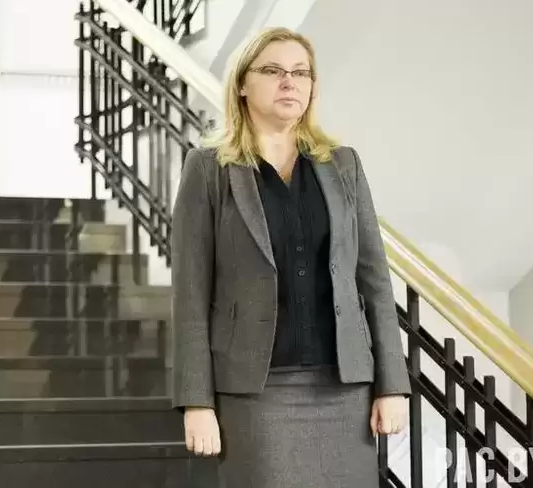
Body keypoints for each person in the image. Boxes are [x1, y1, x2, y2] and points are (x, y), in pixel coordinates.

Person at [170, 27, 411, 488]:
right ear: (243, 83)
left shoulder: (343, 164)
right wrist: (196, 402)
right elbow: (190, 294)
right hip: (255, 393)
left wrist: (392, 385)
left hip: (345, 389)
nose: (290, 82)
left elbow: (374, 281)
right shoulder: (208, 169)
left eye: (302, 73)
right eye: (273, 70)